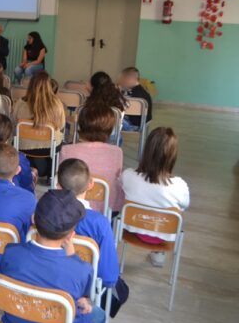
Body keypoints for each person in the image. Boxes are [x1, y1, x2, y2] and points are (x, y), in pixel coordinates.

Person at [0, 189, 106, 323]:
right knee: (98, 317)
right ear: (71, 235)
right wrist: (72, 256)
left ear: (33, 219)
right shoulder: (81, 269)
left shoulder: (11, 252)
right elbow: (80, 295)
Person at [121, 127, 189, 267]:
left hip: (132, 230)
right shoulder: (180, 185)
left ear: (146, 151)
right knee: (175, 213)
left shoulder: (128, 175)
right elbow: (184, 205)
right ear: (172, 156)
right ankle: (158, 255)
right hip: (163, 235)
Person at [57, 158, 120, 290]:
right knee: (122, 291)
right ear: (90, 184)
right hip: (86, 285)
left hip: (52, 276)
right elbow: (109, 277)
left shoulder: (46, 214)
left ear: (58, 186)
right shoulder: (100, 223)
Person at [59, 104, 124, 213]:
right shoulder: (116, 152)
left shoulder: (66, 150)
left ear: (80, 125)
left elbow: (61, 178)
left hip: (72, 204)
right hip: (107, 206)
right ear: (110, 129)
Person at [12, 72, 65, 178]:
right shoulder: (56, 103)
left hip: (23, 146)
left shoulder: (20, 103)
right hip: (49, 147)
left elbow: (14, 122)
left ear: (31, 85)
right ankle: (50, 175)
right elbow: (61, 125)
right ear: (49, 85)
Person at [118, 66, 153, 130]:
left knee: (111, 118)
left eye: (123, 79)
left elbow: (122, 109)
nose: (121, 82)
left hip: (132, 125)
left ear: (129, 79)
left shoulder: (134, 96)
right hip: (143, 124)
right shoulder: (144, 93)